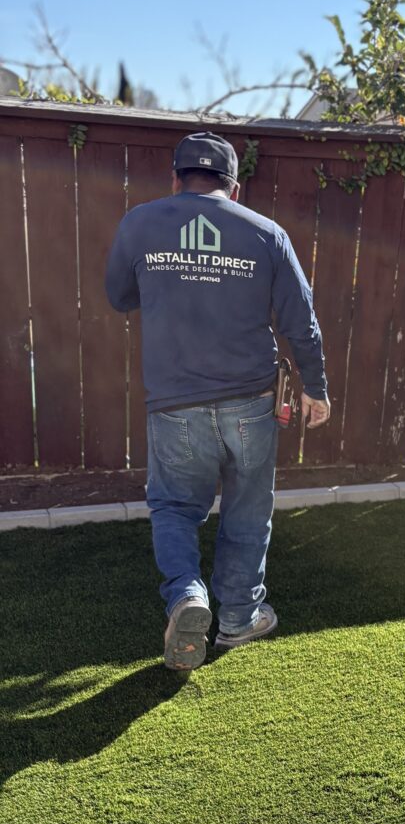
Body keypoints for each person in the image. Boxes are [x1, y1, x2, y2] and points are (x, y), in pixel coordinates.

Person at [105, 131, 330, 669]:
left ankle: (187, 595)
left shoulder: (139, 223)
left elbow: (119, 296)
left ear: (175, 178)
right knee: (248, 508)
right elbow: (301, 321)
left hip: (174, 402)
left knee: (175, 508)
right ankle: (239, 618)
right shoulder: (266, 233)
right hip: (251, 401)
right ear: (234, 186)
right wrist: (316, 387)